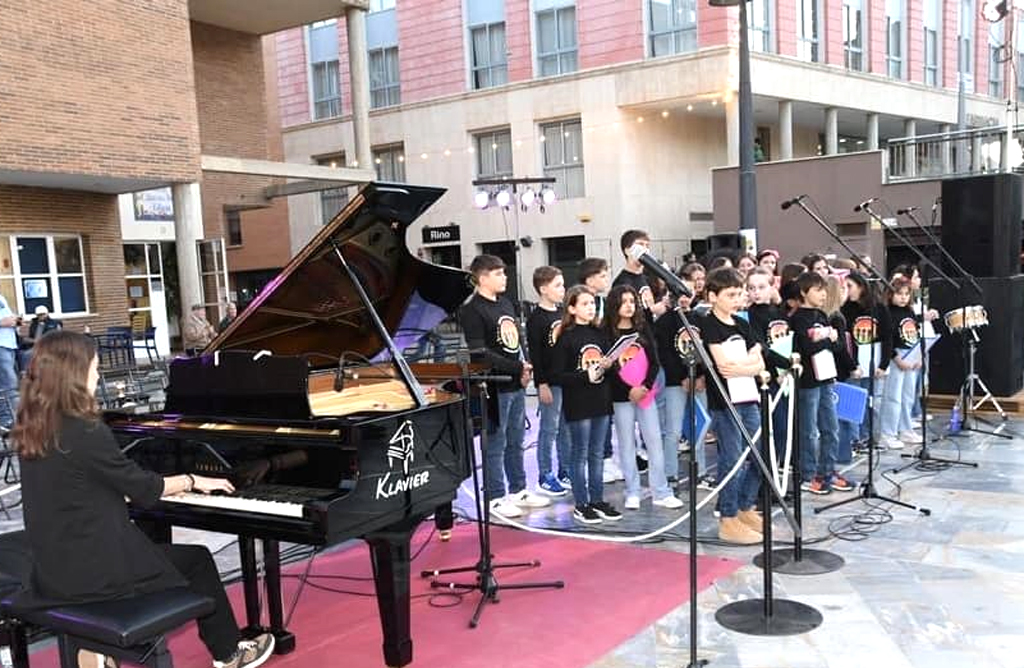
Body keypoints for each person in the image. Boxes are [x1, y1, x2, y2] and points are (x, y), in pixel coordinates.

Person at [9, 331, 275, 668]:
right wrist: (194, 480)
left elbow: (84, 484)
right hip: (93, 575)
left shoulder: (33, 424)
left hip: (54, 567)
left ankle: (95, 650)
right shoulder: (84, 429)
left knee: (156, 549)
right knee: (198, 560)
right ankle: (229, 653)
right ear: (73, 374)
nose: (98, 374)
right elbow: (143, 488)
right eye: (94, 367)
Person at [460, 255, 549, 519]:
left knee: (516, 441)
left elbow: (517, 341)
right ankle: (496, 497)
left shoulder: (506, 302)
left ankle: (518, 489)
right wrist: (516, 368)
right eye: (498, 274)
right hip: (493, 386)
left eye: (503, 273)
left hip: (516, 382)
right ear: (482, 277)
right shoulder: (472, 310)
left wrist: (525, 366)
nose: (504, 277)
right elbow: (479, 353)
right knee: (496, 443)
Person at [700, 268, 766, 544]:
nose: (737, 299)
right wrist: (746, 367)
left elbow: (760, 361)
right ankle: (728, 516)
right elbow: (722, 368)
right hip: (725, 402)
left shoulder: (742, 323)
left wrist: (744, 367)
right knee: (732, 457)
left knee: (758, 454)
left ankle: (744, 505)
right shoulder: (709, 325)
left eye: (739, 294)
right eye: (730, 294)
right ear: (713, 296)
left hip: (749, 396)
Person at [605, 285, 682, 510]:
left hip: (645, 394)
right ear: (615, 305)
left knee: (654, 442)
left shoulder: (643, 328)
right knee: (627, 443)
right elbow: (608, 367)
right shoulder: (607, 333)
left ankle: (661, 491)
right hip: (622, 396)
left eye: (632, 301)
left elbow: (655, 361)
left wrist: (645, 386)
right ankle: (633, 491)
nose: (629, 305)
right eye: (624, 301)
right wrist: (628, 389)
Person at [551, 286, 621, 525]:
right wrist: (584, 376)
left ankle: (597, 499)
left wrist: (609, 366)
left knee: (597, 454)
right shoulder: (566, 337)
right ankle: (581, 503)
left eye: (592, 303)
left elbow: (610, 370)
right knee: (579, 454)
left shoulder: (600, 333)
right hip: (578, 403)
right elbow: (557, 375)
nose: (590, 308)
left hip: (601, 400)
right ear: (571, 308)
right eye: (584, 304)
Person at [788, 272, 855, 495]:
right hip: (808, 380)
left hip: (826, 376)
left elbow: (837, 347)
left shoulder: (822, 315)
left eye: (824, 289)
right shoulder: (798, 318)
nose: (823, 294)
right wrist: (827, 339)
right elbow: (807, 347)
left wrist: (825, 338)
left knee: (831, 427)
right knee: (808, 430)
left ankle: (827, 469)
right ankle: (808, 474)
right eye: (818, 290)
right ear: (804, 293)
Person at [655, 279, 711, 487]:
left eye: (689, 292)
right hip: (674, 383)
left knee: (700, 427)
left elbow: (707, 351)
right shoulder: (665, 322)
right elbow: (665, 354)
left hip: (699, 381)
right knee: (674, 430)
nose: (685, 297)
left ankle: (700, 472)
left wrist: (702, 375)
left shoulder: (700, 319)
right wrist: (682, 377)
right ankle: (671, 474)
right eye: (681, 293)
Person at [525, 266, 571, 496]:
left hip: (566, 380)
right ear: (543, 289)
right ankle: (545, 473)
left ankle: (566, 469)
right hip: (550, 382)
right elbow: (537, 354)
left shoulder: (562, 313)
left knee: (566, 428)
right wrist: (541, 383)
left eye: (562, 284)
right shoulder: (536, 319)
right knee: (549, 429)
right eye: (558, 285)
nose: (563, 289)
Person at [579, 257, 622, 483]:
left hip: (604, 364)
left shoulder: (604, 302)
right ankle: (587, 461)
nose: (607, 279)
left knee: (605, 415)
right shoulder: (579, 301)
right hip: (585, 366)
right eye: (603, 275)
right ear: (590, 278)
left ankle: (605, 457)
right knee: (586, 419)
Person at [841, 272, 892, 450]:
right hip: (854, 359)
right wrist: (852, 364)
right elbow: (845, 340)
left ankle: (872, 436)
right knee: (854, 399)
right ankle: (855, 438)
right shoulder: (845, 309)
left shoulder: (878, 308)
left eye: (850, 286)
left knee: (873, 400)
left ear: (861, 287)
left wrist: (884, 364)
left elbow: (887, 337)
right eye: (844, 287)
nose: (847, 291)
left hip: (874, 355)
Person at [878, 276, 924, 450]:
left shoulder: (909, 312)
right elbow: (888, 340)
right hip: (896, 358)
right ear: (890, 295)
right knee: (893, 397)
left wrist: (919, 357)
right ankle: (887, 433)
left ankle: (905, 428)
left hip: (912, 355)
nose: (903, 297)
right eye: (899, 294)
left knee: (908, 397)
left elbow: (916, 335)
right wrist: (897, 359)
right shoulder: (887, 312)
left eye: (906, 294)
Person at [824, 275, 859, 464]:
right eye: (843, 288)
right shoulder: (836, 317)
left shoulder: (829, 316)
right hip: (837, 370)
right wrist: (853, 367)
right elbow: (841, 348)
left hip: (831, 370)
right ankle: (842, 454)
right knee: (841, 416)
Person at [612, 229, 668, 323]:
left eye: (647, 245)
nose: (645, 249)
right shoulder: (622, 282)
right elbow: (622, 315)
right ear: (627, 250)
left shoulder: (647, 278)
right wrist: (652, 311)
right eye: (640, 244)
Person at [19, 305, 63, 370]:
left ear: (47, 313)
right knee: (20, 353)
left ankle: (25, 373)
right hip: (35, 345)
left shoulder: (55, 323)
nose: (41, 316)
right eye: (39, 315)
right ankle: (26, 371)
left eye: (43, 314)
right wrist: (30, 340)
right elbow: (31, 336)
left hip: (49, 346)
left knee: (27, 355)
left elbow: (59, 337)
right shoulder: (34, 324)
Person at [0, 294, 19, 428]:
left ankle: (12, 417)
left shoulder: (1, 297)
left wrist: (16, 321)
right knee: (9, 383)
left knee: (9, 383)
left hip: (9, 344)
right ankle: (8, 419)